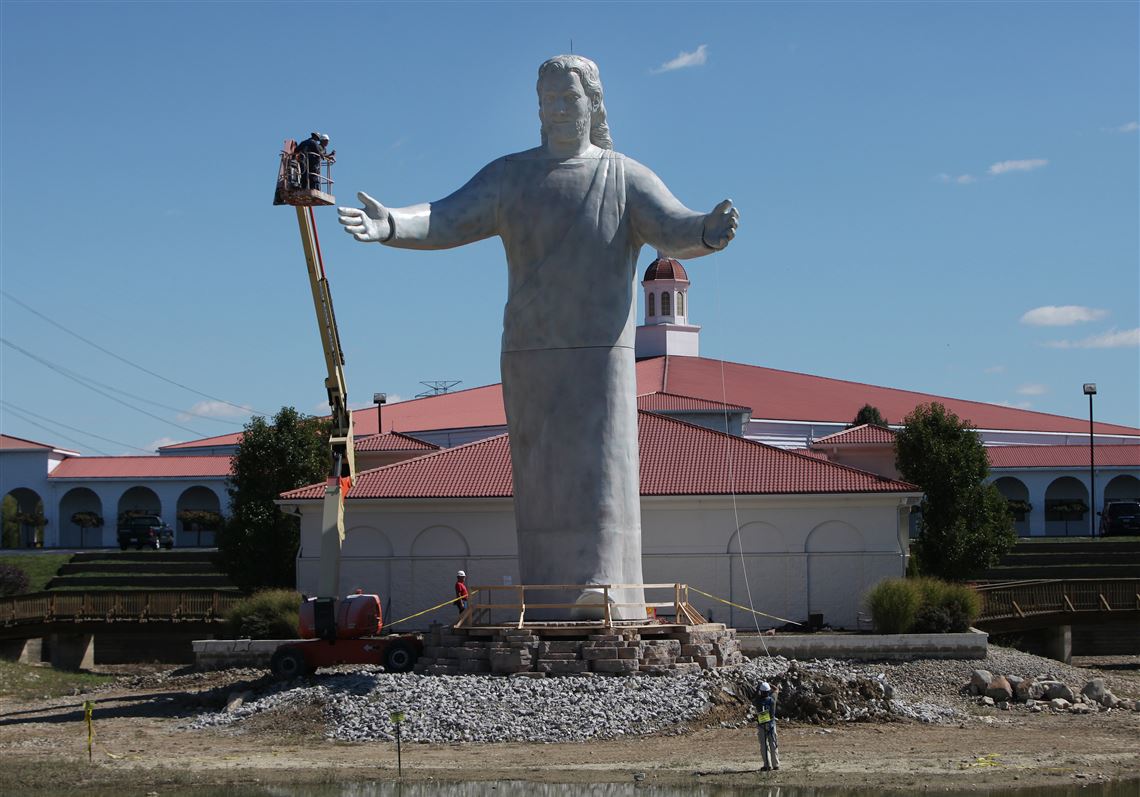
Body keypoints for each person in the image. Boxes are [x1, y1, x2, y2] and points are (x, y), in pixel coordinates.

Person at [338, 56, 738, 618]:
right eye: (546, 101)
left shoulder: (624, 176)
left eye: (567, 99)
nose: (556, 110)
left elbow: (674, 225)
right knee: (541, 481)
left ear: (593, 104)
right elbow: (449, 216)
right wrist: (392, 224)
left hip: (601, 354)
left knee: (603, 473)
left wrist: (707, 230)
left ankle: (605, 594)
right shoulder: (511, 176)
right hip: (530, 352)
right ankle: (550, 598)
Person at [753, 680, 780, 771]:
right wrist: (769, 683)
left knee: (764, 746)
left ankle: (767, 765)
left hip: (761, 725)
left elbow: (756, 694)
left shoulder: (757, 701)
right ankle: (776, 764)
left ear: (761, 691)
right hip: (771, 724)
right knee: (773, 744)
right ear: (769, 691)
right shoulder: (773, 698)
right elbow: (776, 689)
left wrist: (759, 685)